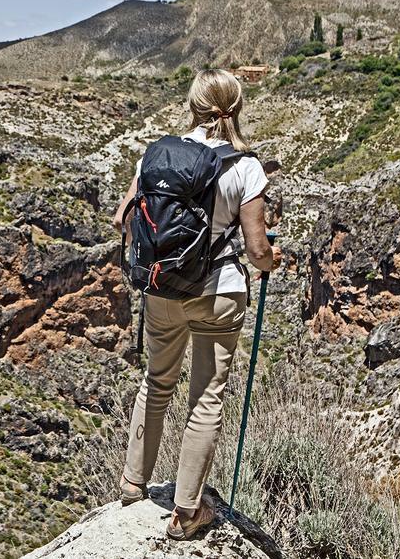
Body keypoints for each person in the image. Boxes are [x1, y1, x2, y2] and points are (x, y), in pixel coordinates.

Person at [111, 69, 281, 540]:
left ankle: (132, 484)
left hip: (163, 291)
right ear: (238, 107)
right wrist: (272, 258)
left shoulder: (156, 155)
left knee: (157, 382)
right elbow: (256, 249)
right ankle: (187, 512)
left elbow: (122, 220)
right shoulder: (246, 168)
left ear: (193, 105)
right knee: (205, 397)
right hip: (219, 292)